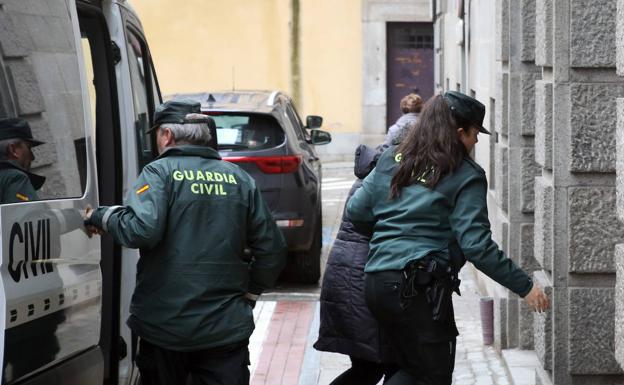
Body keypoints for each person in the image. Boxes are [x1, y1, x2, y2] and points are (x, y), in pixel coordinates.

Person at [347, 91, 549, 385]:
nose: (477, 141)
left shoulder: (394, 157)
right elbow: (477, 246)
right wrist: (525, 287)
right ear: (458, 133)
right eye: (474, 133)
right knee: (431, 375)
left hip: (377, 281)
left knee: (406, 367)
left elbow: (357, 211)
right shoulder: (466, 175)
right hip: (418, 290)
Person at [84, 99, 287, 385]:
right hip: (225, 327)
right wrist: (251, 292)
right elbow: (273, 250)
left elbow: (141, 229)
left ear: (166, 135)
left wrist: (102, 216)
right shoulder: (239, 178)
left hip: (165, 327)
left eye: (156, 134)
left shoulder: (158, 173)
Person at [314, 144, 399, 385]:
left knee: (371, 366)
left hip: (349, 281)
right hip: (359, 284)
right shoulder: (380, 186)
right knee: (380, 366)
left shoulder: (367, 181)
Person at [0, 117, 45, 203]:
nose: (32, 157)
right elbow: (30, 215)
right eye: (29, 148)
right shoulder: (14, 177)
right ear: (13, 150)